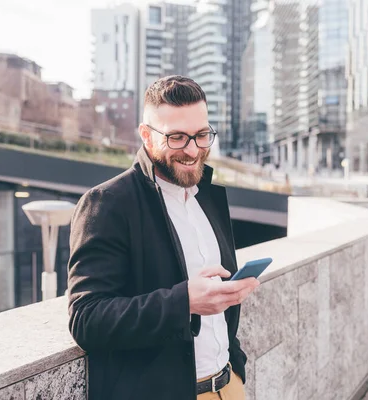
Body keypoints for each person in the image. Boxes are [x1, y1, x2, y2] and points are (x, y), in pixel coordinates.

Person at [67, 75, 260, 400]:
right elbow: (87, 319)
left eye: (201, 136)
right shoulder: (107, 203)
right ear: (146, 135)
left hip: (229, 388)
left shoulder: (209, 198)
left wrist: (235, 367)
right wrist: (184, 302)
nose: (192, 150)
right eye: (177, 138)